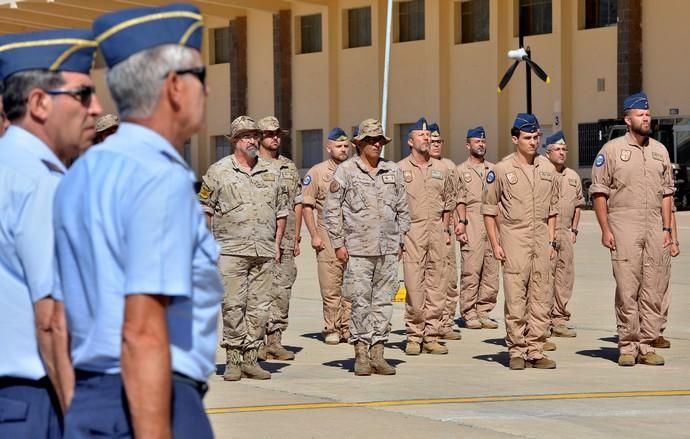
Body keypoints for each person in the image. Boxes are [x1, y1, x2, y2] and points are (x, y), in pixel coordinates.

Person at [54, 5, 221, 438]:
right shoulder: (158, 176)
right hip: (151, 401)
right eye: (201, 78)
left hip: (92, 400)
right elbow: (142, 330)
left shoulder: (81, 175)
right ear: (174, 88)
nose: (209, 92)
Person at [0, 28, 101, 439]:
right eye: (82, 96)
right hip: (35, 401)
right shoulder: (43, 184)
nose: (96, 108)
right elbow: (53, 321)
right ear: (40, 102)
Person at [199, 115, 288, 381]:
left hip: (263, 250)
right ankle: (233, 359)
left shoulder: (272, 172)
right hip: (229, 251)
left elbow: (281, 211)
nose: (253, 140)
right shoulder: (218, 171)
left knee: (260, 307)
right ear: (236, 141)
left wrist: (276, 244)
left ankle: (252, 358)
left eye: (254, 136)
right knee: (233, 305)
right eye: (247, 136)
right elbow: (205, 210)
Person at [590, 92, 674, 367]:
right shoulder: (611, 151)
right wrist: (605, 228)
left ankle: (647, 344)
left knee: (653, 288)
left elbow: (666, 194)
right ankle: (627, 346)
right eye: (640, 114)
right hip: (624, 222)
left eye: (648, 114)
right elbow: (599, 192)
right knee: (628, 288)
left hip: (654, 225)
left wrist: (666, 229)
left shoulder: (660, 151)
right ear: (628, 119)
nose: (646, 118)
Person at [324, 118, 410, 376]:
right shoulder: (347, 171)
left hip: (387, 249)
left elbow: (404, 208)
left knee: (384, 302)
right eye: (371, 141)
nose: (376, 145)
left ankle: (378, 352)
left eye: (380, 141)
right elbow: (332, 211)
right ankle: (361, 353)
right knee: (360, 302)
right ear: (359, 144)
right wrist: (338, 244)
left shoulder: (392, 171)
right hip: (358, 249)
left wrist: (401, 240)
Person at [482, 113, 559, 370]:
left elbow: (553, 211)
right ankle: (516, 349)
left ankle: (535, 349)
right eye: (527, 138)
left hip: (540, 237)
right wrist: (495, 244)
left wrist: (550, 242)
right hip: (514, 236)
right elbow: (489, 211)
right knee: (516, 296)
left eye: (536, 137)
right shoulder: (501, 170)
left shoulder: (548, 168)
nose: (533, 142)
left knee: (540, 295)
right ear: (515, 139)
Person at [398, 118, 454, 356]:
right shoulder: (400, 169)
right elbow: (394, 206)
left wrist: (446, 229)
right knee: (414, 286)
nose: (427, 138)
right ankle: (413, 335)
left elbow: (449, 201)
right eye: (421, 136)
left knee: (437, 286)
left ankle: (431, 335)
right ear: (410, 142)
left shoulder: (442, 169)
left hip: (437, 233)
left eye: (429, 136)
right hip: (412, 233)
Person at [257, 116, 302, 361]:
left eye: (278, 134)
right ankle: (256, 340)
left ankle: (274, 340)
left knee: (282, 290)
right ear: (260, 137)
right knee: (258, 291)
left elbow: (298, 202)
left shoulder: (288, 166)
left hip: (285, 240)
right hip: (260, 239)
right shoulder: (252, 165)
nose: (275, 138)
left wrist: (295, 238)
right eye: (269, 134)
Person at [302, 128, 352, 345]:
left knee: (351, 285)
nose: (343, 150)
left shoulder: (355, 170)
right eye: (339, 146)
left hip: (353, 235)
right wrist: (314, 235)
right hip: (327, 233)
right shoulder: (317, 172)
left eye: (346, 146)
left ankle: (348, 327)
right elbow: (307, 206)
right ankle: (331, 328)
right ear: (328, 148)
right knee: (331, 284)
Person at [455, 127, 500, 330]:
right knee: (471, 269)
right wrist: (461, 225)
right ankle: (469, 311)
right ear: (468, 145)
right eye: (476, 141)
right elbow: (458, 201)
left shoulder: (494, 169)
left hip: (492, 220)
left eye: (483, 141)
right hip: (472, 219)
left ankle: (484, 310)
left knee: (491, 270)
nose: (481, 144)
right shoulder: (460, 171)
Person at [543, 131, 584, 338]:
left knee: (564, 277)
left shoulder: (572, 177)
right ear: (547, 152)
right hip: (545, 234)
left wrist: (574, 230)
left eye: (564, 149)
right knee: (544, 278)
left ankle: (559, 319)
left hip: (565, 233)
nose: (561, 153)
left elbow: (578, 205)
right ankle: (542, 320)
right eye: (557, 149)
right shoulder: (541, 173)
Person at [428, 122, 462, 341]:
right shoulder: (416, 167)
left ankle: (446, 322)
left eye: (440, 141)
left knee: (448, 277)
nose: (437, 145)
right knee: (427, 279)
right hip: (423, 230)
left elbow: (457, 197)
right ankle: (428, 323)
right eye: (433, 141)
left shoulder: (449, 166)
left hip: (445, 230)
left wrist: (461, 223)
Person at [656, 210, 679, 348]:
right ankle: (640, 330)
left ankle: (657, 332)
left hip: (662, 242)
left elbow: (670, 214)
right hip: (639, 240)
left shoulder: (664, 188)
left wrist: (674, 241)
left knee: (662, 288)